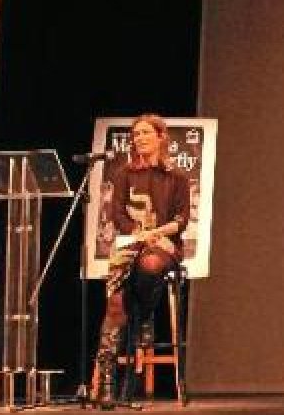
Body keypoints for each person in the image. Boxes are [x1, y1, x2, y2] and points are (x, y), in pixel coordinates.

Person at [92, 113, 190, 406]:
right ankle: (107, 381)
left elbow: (181, 219)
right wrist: (138, 233)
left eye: (146, 133)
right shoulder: (124, 174)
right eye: (136, 135)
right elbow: (117, 213)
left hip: (163, 245)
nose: (139, 138)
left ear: (160, 137)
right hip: (131, 241)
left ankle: (145, 312)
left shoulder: (177, 177)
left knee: (150, 265)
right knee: (116, 301)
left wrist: (158, 234)